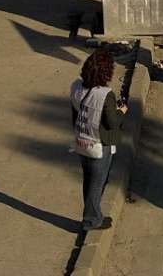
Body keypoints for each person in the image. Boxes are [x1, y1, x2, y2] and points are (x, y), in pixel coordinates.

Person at [70, 49, 127, 232]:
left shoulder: (76, 86)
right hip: (99, 145)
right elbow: (112, 122)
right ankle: (92, 220)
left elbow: (75, 113)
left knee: (88, 180)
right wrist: (122, 111)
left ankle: (92, 213)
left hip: (81, 141)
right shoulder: (105, 94)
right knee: (98, 182)